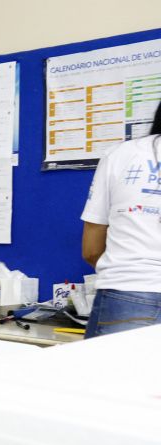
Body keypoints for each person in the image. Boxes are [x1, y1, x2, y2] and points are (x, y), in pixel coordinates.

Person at [81, 101, 161, 339]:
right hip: (129, 289)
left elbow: (91, 250)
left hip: (127, 289)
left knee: (111, 376)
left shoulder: (122, 154)